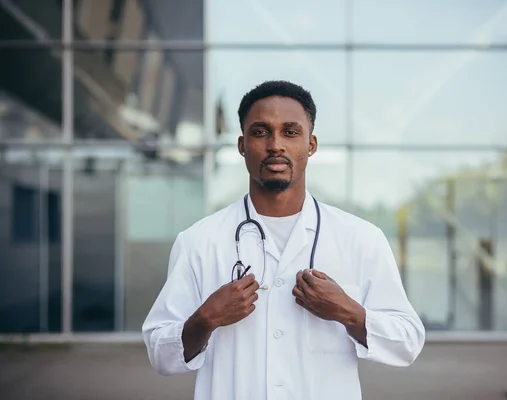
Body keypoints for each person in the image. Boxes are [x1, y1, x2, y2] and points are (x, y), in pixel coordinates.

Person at [142, 80, 425, 400]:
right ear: (241, 145)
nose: (276, 144)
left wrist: (347, 312)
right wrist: (206, 319)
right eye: (261, 132)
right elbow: (160, 354)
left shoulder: (361, 239)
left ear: (311, 145)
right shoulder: (198, 241)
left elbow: (407, 343)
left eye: (291, 132)